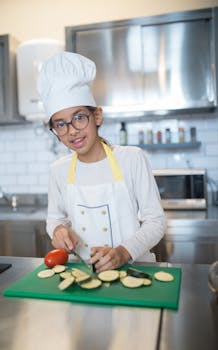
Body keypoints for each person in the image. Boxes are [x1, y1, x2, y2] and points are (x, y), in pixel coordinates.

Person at [37, 51, 167, 273]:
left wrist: (123, 252)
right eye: (60, 124)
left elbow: (156, 222)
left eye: (79, 117)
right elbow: (54, 219)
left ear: (97, 116)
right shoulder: (58, 171)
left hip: (134, 271)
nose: (72, 131)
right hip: (83, 273)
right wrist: (58, 230)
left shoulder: (131, 158)